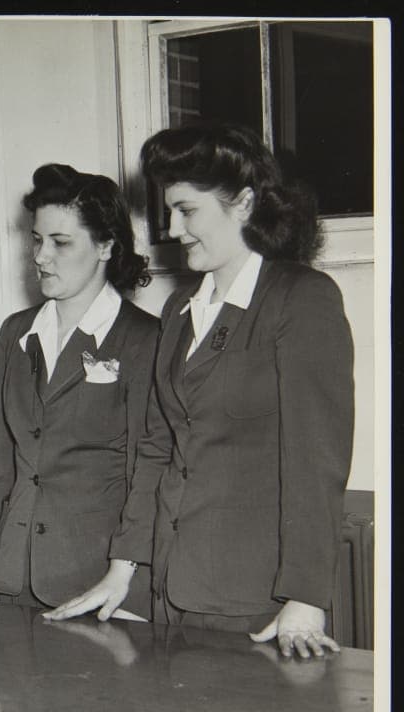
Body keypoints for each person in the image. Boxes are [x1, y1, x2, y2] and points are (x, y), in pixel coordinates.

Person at [46, 123, 354, 660]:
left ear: (244, 204)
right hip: (173, 587)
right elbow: (157, 447)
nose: (172, 228)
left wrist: (305, 596)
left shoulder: (300, 299)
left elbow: (316, 460)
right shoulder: (179, 310)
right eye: (169, 212)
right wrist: (124, 570)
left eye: (186, 211)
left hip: (259, 600)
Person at [0, 163, 157, 620]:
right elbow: (1, 466)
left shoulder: (145, 338)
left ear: (106, 246)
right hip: (13, 578)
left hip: (98, 584)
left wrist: (125, 577)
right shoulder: (15, 334)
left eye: (60, 242)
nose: (40, 256)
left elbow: (148, 472)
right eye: (37, 239)